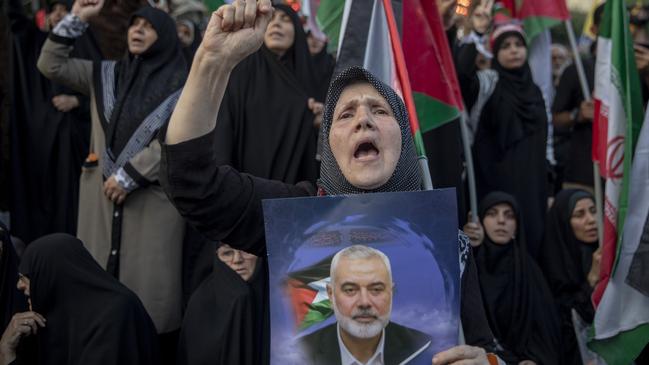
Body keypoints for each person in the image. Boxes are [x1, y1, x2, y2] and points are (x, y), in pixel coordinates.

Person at [160, 2, 496, 364]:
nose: (363, 121)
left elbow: (483, 344)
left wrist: (487, 361)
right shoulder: (295, 218)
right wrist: (211, 62)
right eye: (346, 114)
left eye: (380, 111)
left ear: (403, 134)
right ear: (328, 144)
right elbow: (192, 184)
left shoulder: (444, 241)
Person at [36, 0, 188, 347]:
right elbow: (50, 64)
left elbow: (182, 138)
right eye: (134, 25)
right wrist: (78, 19)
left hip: (149, 204)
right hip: (100, 203)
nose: (137, 30)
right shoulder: (104, 74)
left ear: (164, 36)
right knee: (98, 313)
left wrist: (132, 173)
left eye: (148, 26)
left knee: (147, 317)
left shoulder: (184, 87)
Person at [7, 0, 102, 244]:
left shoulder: (86, 45)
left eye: (64, 9)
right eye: (54, 10)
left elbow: (105, 88)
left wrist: (77, 102)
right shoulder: (34, 44)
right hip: (37, 150)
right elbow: (15, 20)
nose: (58, 15)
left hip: (73, 148)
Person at [457, 11, 549, 258]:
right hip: (494, 182)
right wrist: (476, 33)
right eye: (506, 46)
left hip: (532, 185)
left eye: (518, 45)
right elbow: (461, 77)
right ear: (495, 52)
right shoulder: (488, 82)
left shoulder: (536, 92)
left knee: (531, 242)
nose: (514, 50)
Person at [0, 233, 158, 365]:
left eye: (27, 276)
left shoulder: (115, 316)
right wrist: (6, 349)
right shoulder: (51, 319)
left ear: (54, 275)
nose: (19, 285)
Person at [213, 4, 320, 184]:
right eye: (270, 20)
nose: (276, 24)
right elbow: (223, 133)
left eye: (285, 20)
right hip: (245, 192)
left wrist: (321, 124)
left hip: (298, 196)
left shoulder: (313, 78)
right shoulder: (239, 74)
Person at [464, 192, 561, 364]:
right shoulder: (471, 266)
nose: (501, 221)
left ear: (517, 226)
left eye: (509, 216)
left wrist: (534, 360)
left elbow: (543, 329)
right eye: (492, 214)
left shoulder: (528, 272)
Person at [299, 245, 431, 365]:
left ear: (391, 293)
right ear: (331, 295)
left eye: (376, 289)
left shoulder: (426, 349)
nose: (364, 302)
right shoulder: (299, 353)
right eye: (350, 290)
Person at [537, 189, 601, 365]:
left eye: (594, 211)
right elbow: (565, 320)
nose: (591, 220)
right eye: (579, 214)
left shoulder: (606, 252)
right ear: (564, 222)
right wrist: (592, 278)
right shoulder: (554, 264)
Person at [177, 243, 267, 365]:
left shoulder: (278, 296)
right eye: (227, 253)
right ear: (216, 257)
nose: (237, 260)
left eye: (247, 250)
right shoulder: (202, 302)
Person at [552, 4, 605, 193]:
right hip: (585, 174)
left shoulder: (637, 72)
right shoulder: (577, 71)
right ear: (594, 29)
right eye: (609, 25)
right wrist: (578, 115)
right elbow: (555, 120)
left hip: (626, 175)